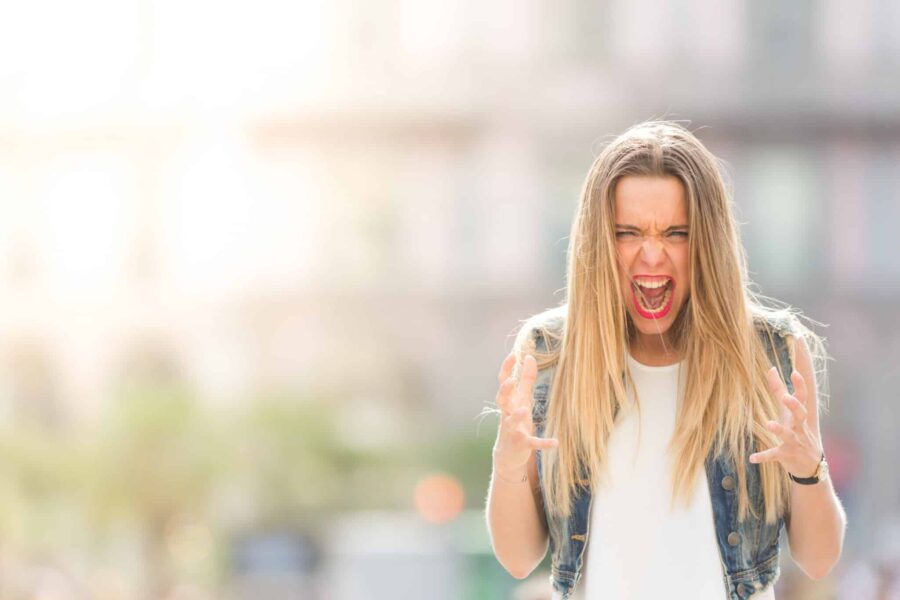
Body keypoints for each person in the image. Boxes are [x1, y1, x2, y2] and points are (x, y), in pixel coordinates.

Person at [485, 121, 846, 600]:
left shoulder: (772, 352)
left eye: (676, 233)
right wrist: (508, 466)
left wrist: (808, 467)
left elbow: (819, 559)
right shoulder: (549, 354)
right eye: (627, 232)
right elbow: (518, 558)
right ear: (598, 241)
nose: (651, 255)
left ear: (708, 244)